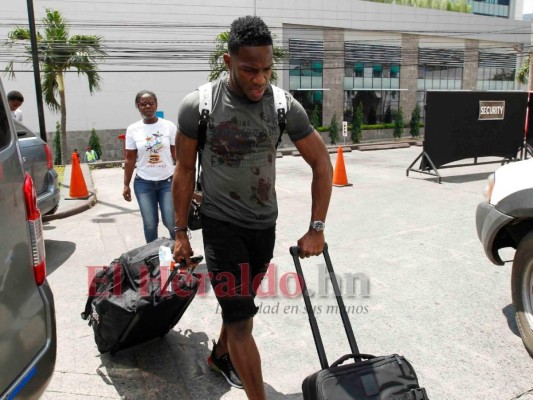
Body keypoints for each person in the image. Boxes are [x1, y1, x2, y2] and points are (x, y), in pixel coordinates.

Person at [171, 16, 333, 400]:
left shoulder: (283, 106)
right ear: (228, 62)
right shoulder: (200, 105)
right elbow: (183, 168)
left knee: (241, 304)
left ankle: (219, 356)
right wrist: (180, 232)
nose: (259, 79)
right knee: (242, 319)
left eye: (265, 70)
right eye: (249, 70)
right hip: (220, 225)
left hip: (263, 225)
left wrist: (317, 227)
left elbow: (323, 164)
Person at [123, 90, 177, 244]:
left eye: (151, 103)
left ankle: (181, 255)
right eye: (143, 104)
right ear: (138, 107)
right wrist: (126, 184)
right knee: (150, 224)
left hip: (167, 182)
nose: (147, 106)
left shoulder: (168, 126)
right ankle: (152, 259)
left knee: (171, 222)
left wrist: (183, 180)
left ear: (156, 105)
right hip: (144, 183)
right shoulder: (133, 129)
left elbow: (176, 155)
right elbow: (130, 159)